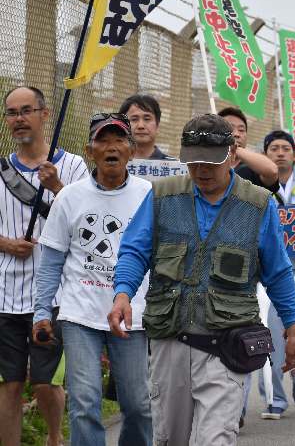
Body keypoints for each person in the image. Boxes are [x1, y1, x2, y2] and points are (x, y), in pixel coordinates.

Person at [108, 114, 295, 445]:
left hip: (226, 344)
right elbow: (134, 251)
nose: (201, 170)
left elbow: (279, 272)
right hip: (170, 340)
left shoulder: (258, 204)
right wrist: (122, 294)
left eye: (210, 162)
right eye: (193, 161)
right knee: (170, 439)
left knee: (216, 438)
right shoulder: (162, 196)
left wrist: (294, 329)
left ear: (232, 154)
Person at [33, 113, 152, 445]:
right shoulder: (70, 196)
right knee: (85, 402)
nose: (111, 147)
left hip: (132, 313)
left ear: (132, 150)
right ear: (90, 150)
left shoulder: (149, 195)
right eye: (103, 140)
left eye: (119, 141)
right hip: (79, 313)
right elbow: (52, 259)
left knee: (139, 405)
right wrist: (42, 311)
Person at [0, 85, 89, 446]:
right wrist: (6, 243)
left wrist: (57, 187)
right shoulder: (2, 169)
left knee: (46, 382)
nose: (19, 119)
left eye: (26, 111)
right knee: (9, 383)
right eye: (12, 113)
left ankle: (55, 438)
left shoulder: (72, 166)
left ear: (44, 114)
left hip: (52, 296)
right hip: (4, 293)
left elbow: (88, 224)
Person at [242, 130, 295, 419]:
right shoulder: (254, 190)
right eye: (273, 148)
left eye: (285, 147)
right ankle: (274, 398)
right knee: (271, 341)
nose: (279, 152)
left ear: (294, 154)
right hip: (268, 278)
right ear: (265, 155)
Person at [218, 106, 278, 184]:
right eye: (229, 128)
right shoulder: (204, 165)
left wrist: (234, 149)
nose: (236, 134)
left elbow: (272, 171)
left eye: (241, 130)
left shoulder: (253, 168)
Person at [118, 94, 174, 160]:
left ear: (157, 125)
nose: (141, 126)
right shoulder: (108, 166)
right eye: (134, 119)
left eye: (147, 119)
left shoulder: (174, 167)